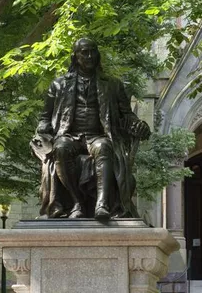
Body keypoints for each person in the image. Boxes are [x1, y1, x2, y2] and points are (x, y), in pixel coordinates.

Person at [31, 38, 151, 220]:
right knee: (61, 149)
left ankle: (101, 205)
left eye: (92, 52)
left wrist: (139, 125)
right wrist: (41, 132)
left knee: (104, 147)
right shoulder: (59, 84)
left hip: (98, 136)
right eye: (84, 52)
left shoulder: (112, 84)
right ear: (75, 56)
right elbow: (45, 117)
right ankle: (76, 202)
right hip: (69, 136)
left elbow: (126, 115)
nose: (89, 56)